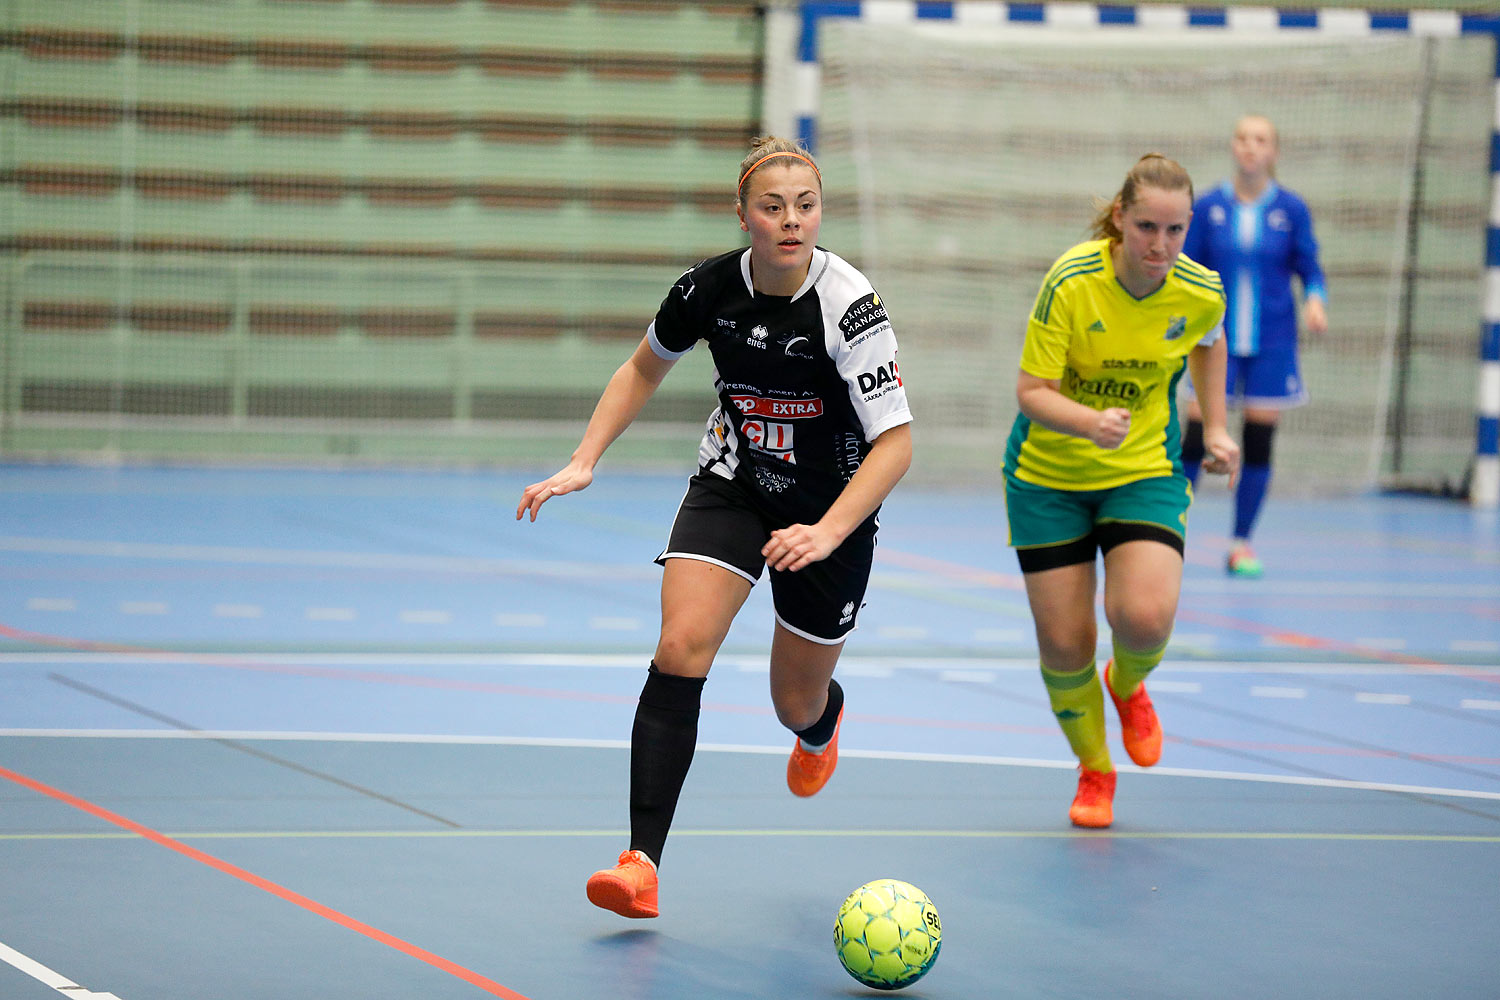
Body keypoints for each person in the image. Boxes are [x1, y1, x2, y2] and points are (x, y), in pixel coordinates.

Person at [515, 137, 913, 917]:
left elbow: (896, 441)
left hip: (830, 510)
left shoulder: (848, 304)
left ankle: (821, 722)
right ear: (744, 216)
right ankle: (640, 864)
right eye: (773, 207)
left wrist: (828, 531)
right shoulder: (706, 289)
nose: (791, 221)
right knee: (679, 648)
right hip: (734, 483)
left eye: (806, 205)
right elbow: (642, 367)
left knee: (791, 702)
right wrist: (584, 458)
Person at [1003, 153, 1239, 828]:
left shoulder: (1199, 289)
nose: (1160, 245)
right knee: (1066, 644)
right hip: (1047, 478)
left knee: (1142, 617)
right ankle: (1095, 769)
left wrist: (1216, 428)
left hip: (1144, 471)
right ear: (1119, 218)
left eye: (1175, 230)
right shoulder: (1073, 281)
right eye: (1146, 228)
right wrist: (1087, 422)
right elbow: (1030, 393)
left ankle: (1127, 684)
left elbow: (1210, 343)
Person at [1180, 114, 1328, 577]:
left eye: (1260, 140)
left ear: (1273, 152)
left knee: (1258, 440)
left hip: (1272, 340)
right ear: (1233, 146)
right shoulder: (1207, 207)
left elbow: (1310, 266)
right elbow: (1186, 266)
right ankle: (1169, 533)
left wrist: (1316, 301)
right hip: (1213, 339)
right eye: (1243, 138)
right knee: (1196, 436)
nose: (1250, 147)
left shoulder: (1291, 209)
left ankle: (1241, 542)